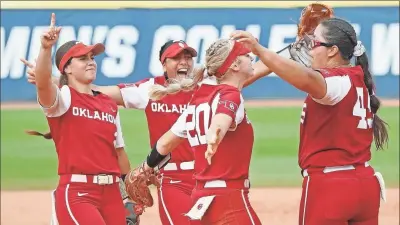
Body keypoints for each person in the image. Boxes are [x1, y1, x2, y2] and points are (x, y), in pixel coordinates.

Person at [26, 39, 271, 225]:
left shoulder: (206, 88)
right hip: (174, 179)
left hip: (203, 178)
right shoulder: (150, 89)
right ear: (164, 63)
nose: (184, 62)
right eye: (176, 58)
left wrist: (282, 58)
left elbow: (241, 78)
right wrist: (47, 81)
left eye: (188, 57)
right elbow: (93, 92)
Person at [230, 17, 389, 225]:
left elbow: (306, 78)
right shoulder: (356, 77)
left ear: (332, 51)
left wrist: (259, 49)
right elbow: (243, 80)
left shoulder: (334, 83)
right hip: (365, 184)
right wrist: (284, 54)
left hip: (331, 188)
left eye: (314, 43)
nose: (310, 49)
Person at [130, 38, 262, 225]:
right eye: (246, 55)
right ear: (234, 64)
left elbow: (164, 143)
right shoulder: (230, 95)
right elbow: (221, 120)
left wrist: (144, 168)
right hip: (230, 200)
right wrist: (214, 137)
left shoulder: (196, 103)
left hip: (202, 200)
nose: (251, 58)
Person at [30, 13, 130, 225]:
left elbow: (119, 151)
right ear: (66, 68)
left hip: (112, 193)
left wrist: (128, 195)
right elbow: (43, 83)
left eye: (92, 58)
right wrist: (46, 48)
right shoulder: (64, 98)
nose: (91, 62)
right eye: (83, 58)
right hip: (78, 193)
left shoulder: (109, 104)